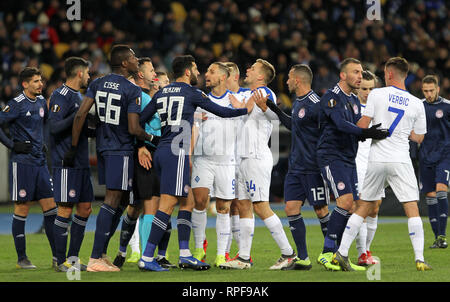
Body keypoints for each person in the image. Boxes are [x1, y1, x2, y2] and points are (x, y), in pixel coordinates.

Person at [137, 55, 251, 272]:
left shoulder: (161, 92)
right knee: (167, 205)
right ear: (188, 71)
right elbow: (223, 112)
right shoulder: (192, 93)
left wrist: (144, 142)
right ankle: (147, 256)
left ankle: (185, 254)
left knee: (187, 202)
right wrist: (246, 110)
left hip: (161, 151)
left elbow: (139, 120)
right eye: (196, 68)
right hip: (176, 153)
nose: (199, 73)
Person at [63, 45, 156, 272]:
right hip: (121, 148)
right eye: (133, 58)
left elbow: (81, 114)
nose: (136, 61)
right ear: (125, 63)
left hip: (104, 148)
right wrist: (153, 137)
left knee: (120, 200)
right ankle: (95, 258)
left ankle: (102, 253)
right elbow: (134, 128)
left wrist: (74, 147)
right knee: (112, 200)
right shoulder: (131, 90)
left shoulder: (97, 83)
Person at [334, 57, 432, 271]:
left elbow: (362, 124)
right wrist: (404, 133)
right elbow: (419, 138)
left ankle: (341, 253)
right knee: (412, 207)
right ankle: (420, 258)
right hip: (400, 159)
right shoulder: (417, 104)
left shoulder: (377, 94)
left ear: (388, 74)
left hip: (376, 158)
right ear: (405, 75)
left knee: (363, 207)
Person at [220, 59, 296, 270]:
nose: (248, 69)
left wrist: (264, 108)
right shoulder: (250, 96)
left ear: (260, 76)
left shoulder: (266, 93)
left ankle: (288, 254)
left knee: (261, 207)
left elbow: (273, 116)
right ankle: (244, 257)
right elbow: (242, 111)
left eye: (252, 68)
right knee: (244, 206)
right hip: (243, 158)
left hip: (256, 157)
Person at [315, 58, 389, 271]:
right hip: (332, 156)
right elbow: (340, 125)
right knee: (346, 203)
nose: (359, 75)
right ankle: (328, 253)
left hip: (349, 158)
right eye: (355, 72)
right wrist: (367, 132)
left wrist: (379, 133)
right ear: (343, 75)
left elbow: (358, 130)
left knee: (355, 206)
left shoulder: (355, 101)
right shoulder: (331, 97)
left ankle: (340, 255)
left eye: (360, 72)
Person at [264, 64, 330, 270]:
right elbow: (293, 124)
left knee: (321, 210)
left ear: (298, 80)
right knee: (290, 208)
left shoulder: (316, 104)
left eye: (289, 78)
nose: (286, 81)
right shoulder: (298, 101)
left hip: (312, 167)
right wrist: (274, 109)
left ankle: (332, 253)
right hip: (295, 167)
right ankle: (303, 258)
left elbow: (326, 134)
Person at [0, 67, 57, 269]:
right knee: (22, 207)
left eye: (40, 80)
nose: (40, 84)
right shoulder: (15, 104)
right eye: (35, 81)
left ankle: (57, 257)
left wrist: (42, 144)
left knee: (51, 208)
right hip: (22, 163)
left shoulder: (42, 102)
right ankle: (22, 258)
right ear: (25, 84)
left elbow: (44, 125)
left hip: (40, 162)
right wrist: (11, 144)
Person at [190, 62, 239, 267]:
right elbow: (191, 125)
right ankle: (199, 249)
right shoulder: (200, 100)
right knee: (200, 202)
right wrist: (189, 155)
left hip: (227, 161)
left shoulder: (235, 101)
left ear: (222, 76)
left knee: (223, 208)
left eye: (211, 72)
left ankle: (221, 255)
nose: (206, 75)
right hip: (203, 159)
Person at [48, 57, 94, 272]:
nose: (89, 76)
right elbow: (55, 128)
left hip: (81, 162)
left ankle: (72, 259)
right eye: (87, 73)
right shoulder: (61, 95)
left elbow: (81, 125)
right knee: (65, 209)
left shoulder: (79, 96)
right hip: (66, 161)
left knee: (85, 208)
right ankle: (59, 260)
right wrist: (78, 116)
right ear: (79, 73)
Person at [126, 70, 172, 264]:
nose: (167, 83)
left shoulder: (163, 103)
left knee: (161, 206)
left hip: (160, 155)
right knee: (147, 206)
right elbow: (135, 126)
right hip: (146, 155)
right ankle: (144, 253)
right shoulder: (142, 99)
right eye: (164, 80)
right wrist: (141, 145)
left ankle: (157, 254)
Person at [223, 61, 251, 260]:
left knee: (241, 205)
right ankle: (224, 251)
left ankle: (242, 252)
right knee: (227, 204)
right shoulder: (216, 97)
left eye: (226, 74)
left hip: (241, 157)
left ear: (234, 76)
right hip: (222, 157)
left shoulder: (247, 96)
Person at [354, 70, 382, 266]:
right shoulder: (353, 107)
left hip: (376, 162)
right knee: (362, 207)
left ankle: (367, 249)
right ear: (358, 88)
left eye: (371, 88)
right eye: (364, 88)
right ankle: (361, 252)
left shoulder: (380, 108)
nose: (368, 92)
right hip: (356, 162)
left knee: (374, 208)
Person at [419, 75, 449, 249]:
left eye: (431, 90)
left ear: (438, 89)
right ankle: (438, 237)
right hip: (425, 156)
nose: (429, 94)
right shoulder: (419, 106)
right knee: (430, 196)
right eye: (425, 91)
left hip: (445, 155)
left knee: (441, 189)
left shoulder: (447, 106)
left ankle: (443, 236)